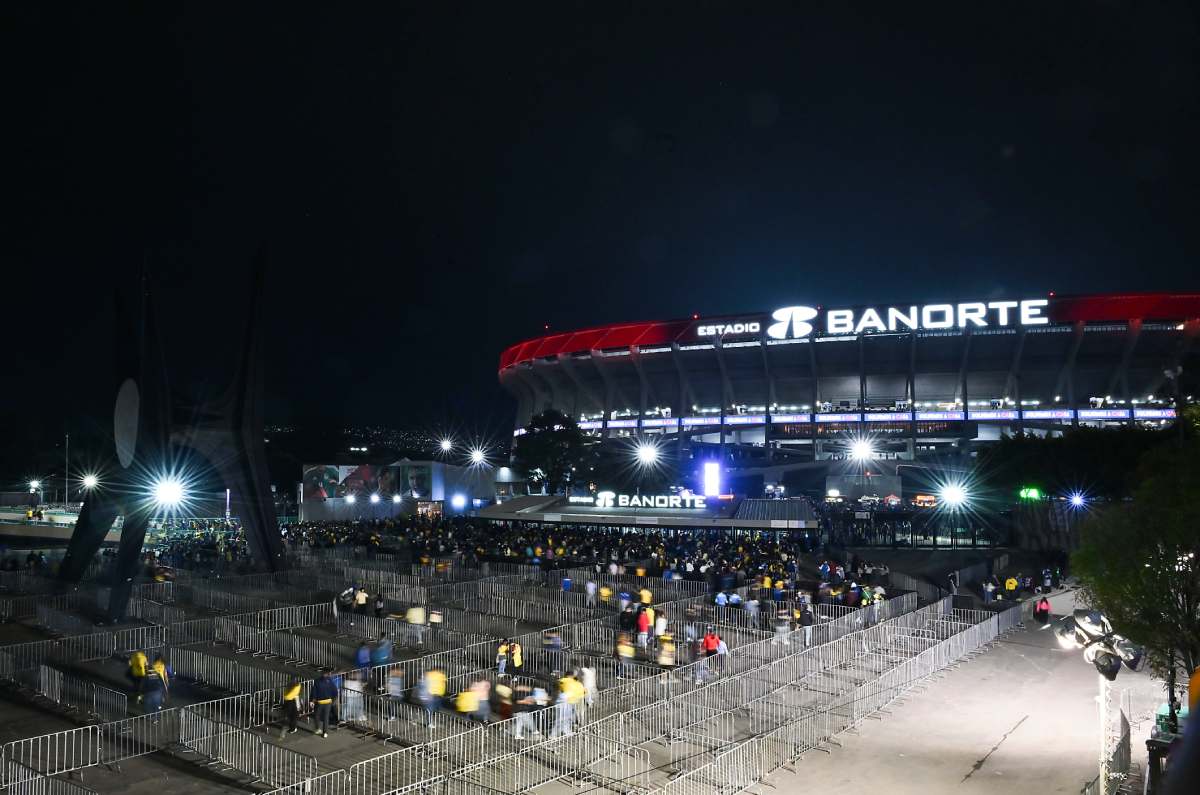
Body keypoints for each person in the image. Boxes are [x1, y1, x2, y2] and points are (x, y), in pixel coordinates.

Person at [310, 671, 337, 737]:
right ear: (328, 674)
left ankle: (317, 729)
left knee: (316, 715)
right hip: (328, 702)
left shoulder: (317, 681)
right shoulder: (331, 682)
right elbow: (335, 692)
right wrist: (332, 700)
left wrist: (312, 701)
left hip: (319, 702)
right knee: (326, 717)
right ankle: (325, 732)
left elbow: (314, 692)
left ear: (322, 674)